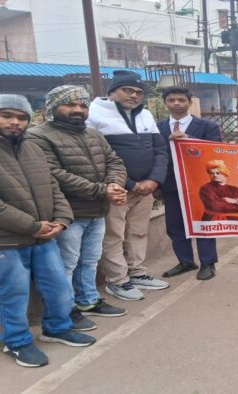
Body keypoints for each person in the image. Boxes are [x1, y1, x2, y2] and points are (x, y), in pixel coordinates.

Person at [0, 95, 96, 368]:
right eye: (7, 116)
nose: (15, 122)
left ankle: (57, 328)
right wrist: (33, 226)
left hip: (42, 235)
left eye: (22, 117)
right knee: (11, 293)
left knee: (59, 287)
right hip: (0, 241)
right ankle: (16, 342)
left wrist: (61, 220)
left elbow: (52, 187)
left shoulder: (30, 147)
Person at [28, 85, 129, 332]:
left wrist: (114, 184)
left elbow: (114, 161)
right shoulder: (38, 136)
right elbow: (54, 174)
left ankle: (88, 301)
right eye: (70, 104)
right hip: (67, 213)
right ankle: (65, 310)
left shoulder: (93, 134)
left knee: (90, 260)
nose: (77, 109)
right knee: (66, 264)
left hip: (97, 210)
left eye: (83, 105)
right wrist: (101, 190)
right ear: (52, 106)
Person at [86, 70, 169, 301]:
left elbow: (160, 150)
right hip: (117, 190)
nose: (134, 95)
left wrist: (153, 180)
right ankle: (118, 281)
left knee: (138, 232)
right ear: (112, 92)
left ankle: (137, 272)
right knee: (113, 235)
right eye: (127, 90)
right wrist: (131, 183)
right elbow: (96, 157)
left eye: (138, 92)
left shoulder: (145, 116)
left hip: (146, 189)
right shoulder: (93, 114)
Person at [156, 87, 224, 281]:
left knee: (203, 223)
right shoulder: (158, 127)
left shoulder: (206, 126)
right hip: (170, 185)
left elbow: (216, 151)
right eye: (171, 100)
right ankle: (186, 261)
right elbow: (154, 155)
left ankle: (208, 263)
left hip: (200, 185)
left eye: (180, 100)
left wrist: (189, 140)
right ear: (166, 103)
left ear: (189, 103)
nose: (176, 103)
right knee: (175, 225)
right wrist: (157, 184)